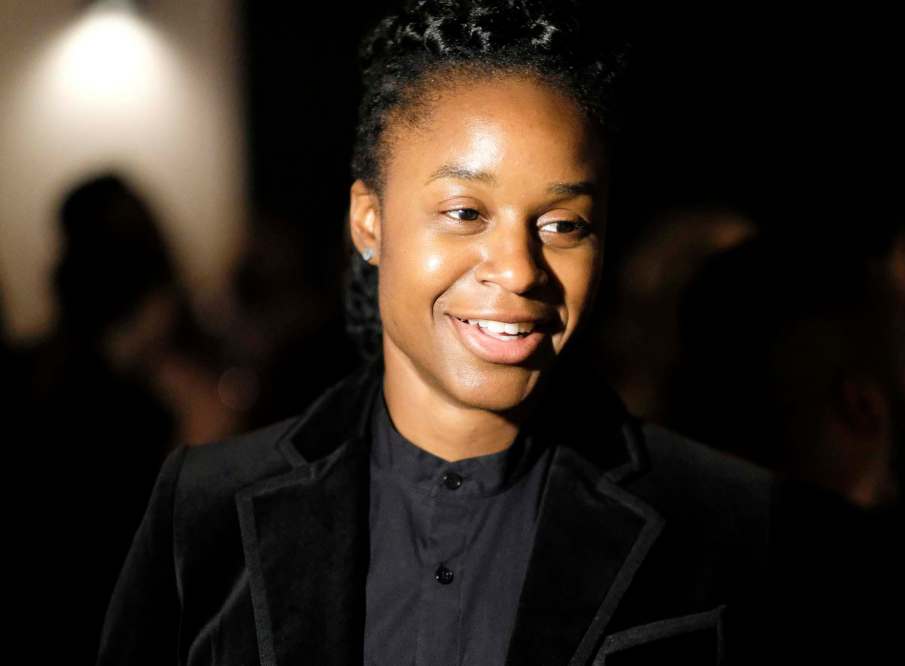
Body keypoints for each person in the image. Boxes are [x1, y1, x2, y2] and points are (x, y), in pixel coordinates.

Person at [97, 1, 773, 664]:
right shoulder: (203, 512)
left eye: (563, 224)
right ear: (370, 222)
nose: (519, 268)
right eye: (465, 212)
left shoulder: (731, 520)